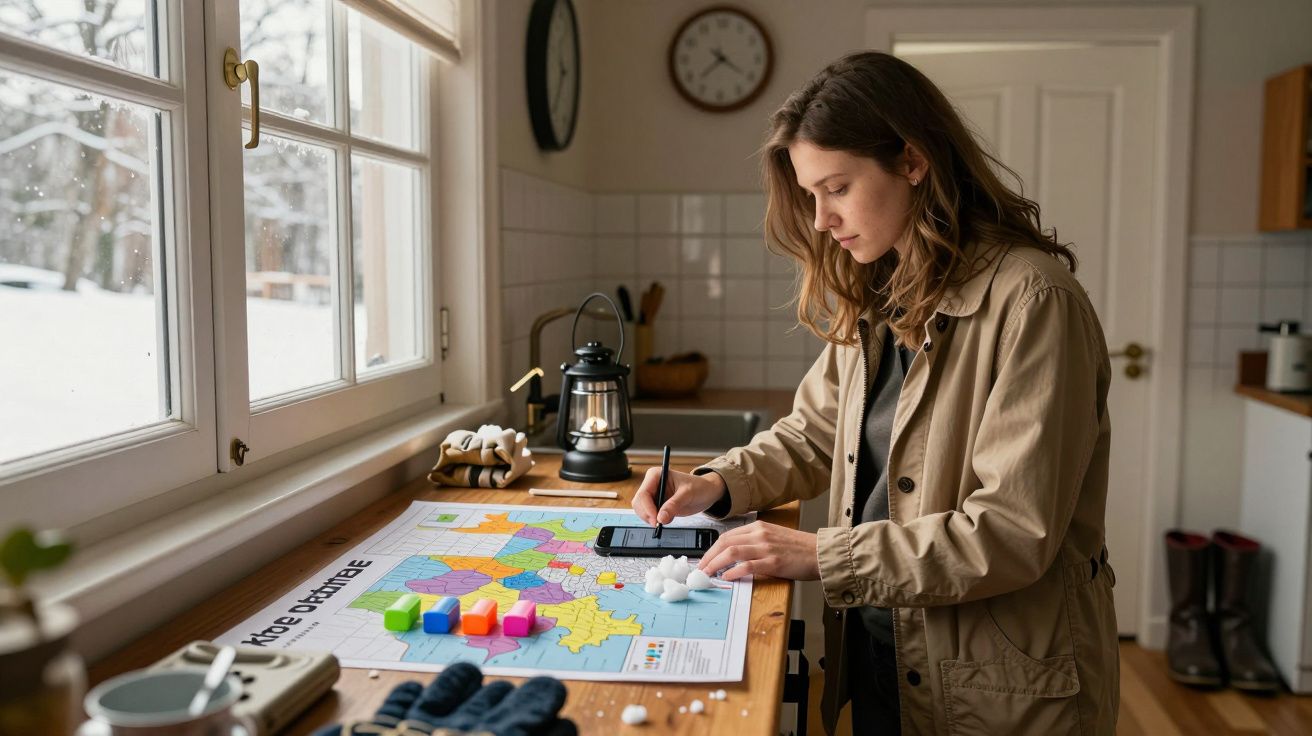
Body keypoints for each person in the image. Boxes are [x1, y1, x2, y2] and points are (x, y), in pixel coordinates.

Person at [632, 51, 1118, 735]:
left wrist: (823, 555)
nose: (823, 218)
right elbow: (814, 433)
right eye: (810, 195)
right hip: (887, 655)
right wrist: (714, 483)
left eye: (836, 187)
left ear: (913, 162)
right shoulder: (883, 293)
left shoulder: (1034, 302)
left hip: (999, 689)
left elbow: (1012, 533)